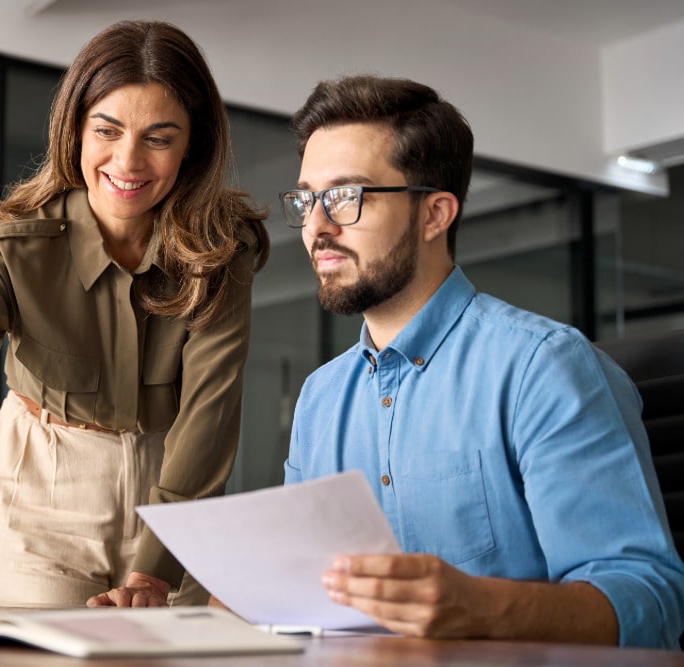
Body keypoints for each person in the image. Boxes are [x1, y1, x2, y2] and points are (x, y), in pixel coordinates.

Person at [0, 20, 268, 609]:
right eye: (108, 130)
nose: (129, 160)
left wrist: (154, 573)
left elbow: (210, 413)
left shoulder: (223, 251)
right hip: (43, 486)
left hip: (177, 485)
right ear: (75, 131)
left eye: (159, 137)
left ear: (192, 144)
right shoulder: (16, 248)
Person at [279, 74, 684, 648]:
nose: (317, 226)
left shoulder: (544, 368)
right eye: (307, 199)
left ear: (435, 215)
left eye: (347, 197)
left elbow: (650, 600)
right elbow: (297, 587)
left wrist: (483, 608)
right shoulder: (320, 400)